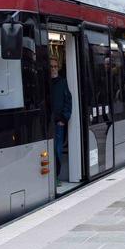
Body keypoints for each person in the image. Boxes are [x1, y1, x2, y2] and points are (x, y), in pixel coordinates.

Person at [50, 57, 72, 185]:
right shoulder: (44, 82)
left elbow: (68, 101)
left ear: (58, 68)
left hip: (58, 122)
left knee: (57, 149)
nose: (53, 69)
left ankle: (56, 176)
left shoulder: (63, 82)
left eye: (55, 66)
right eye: (51, 66)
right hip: (47, 122)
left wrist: (64, 118)